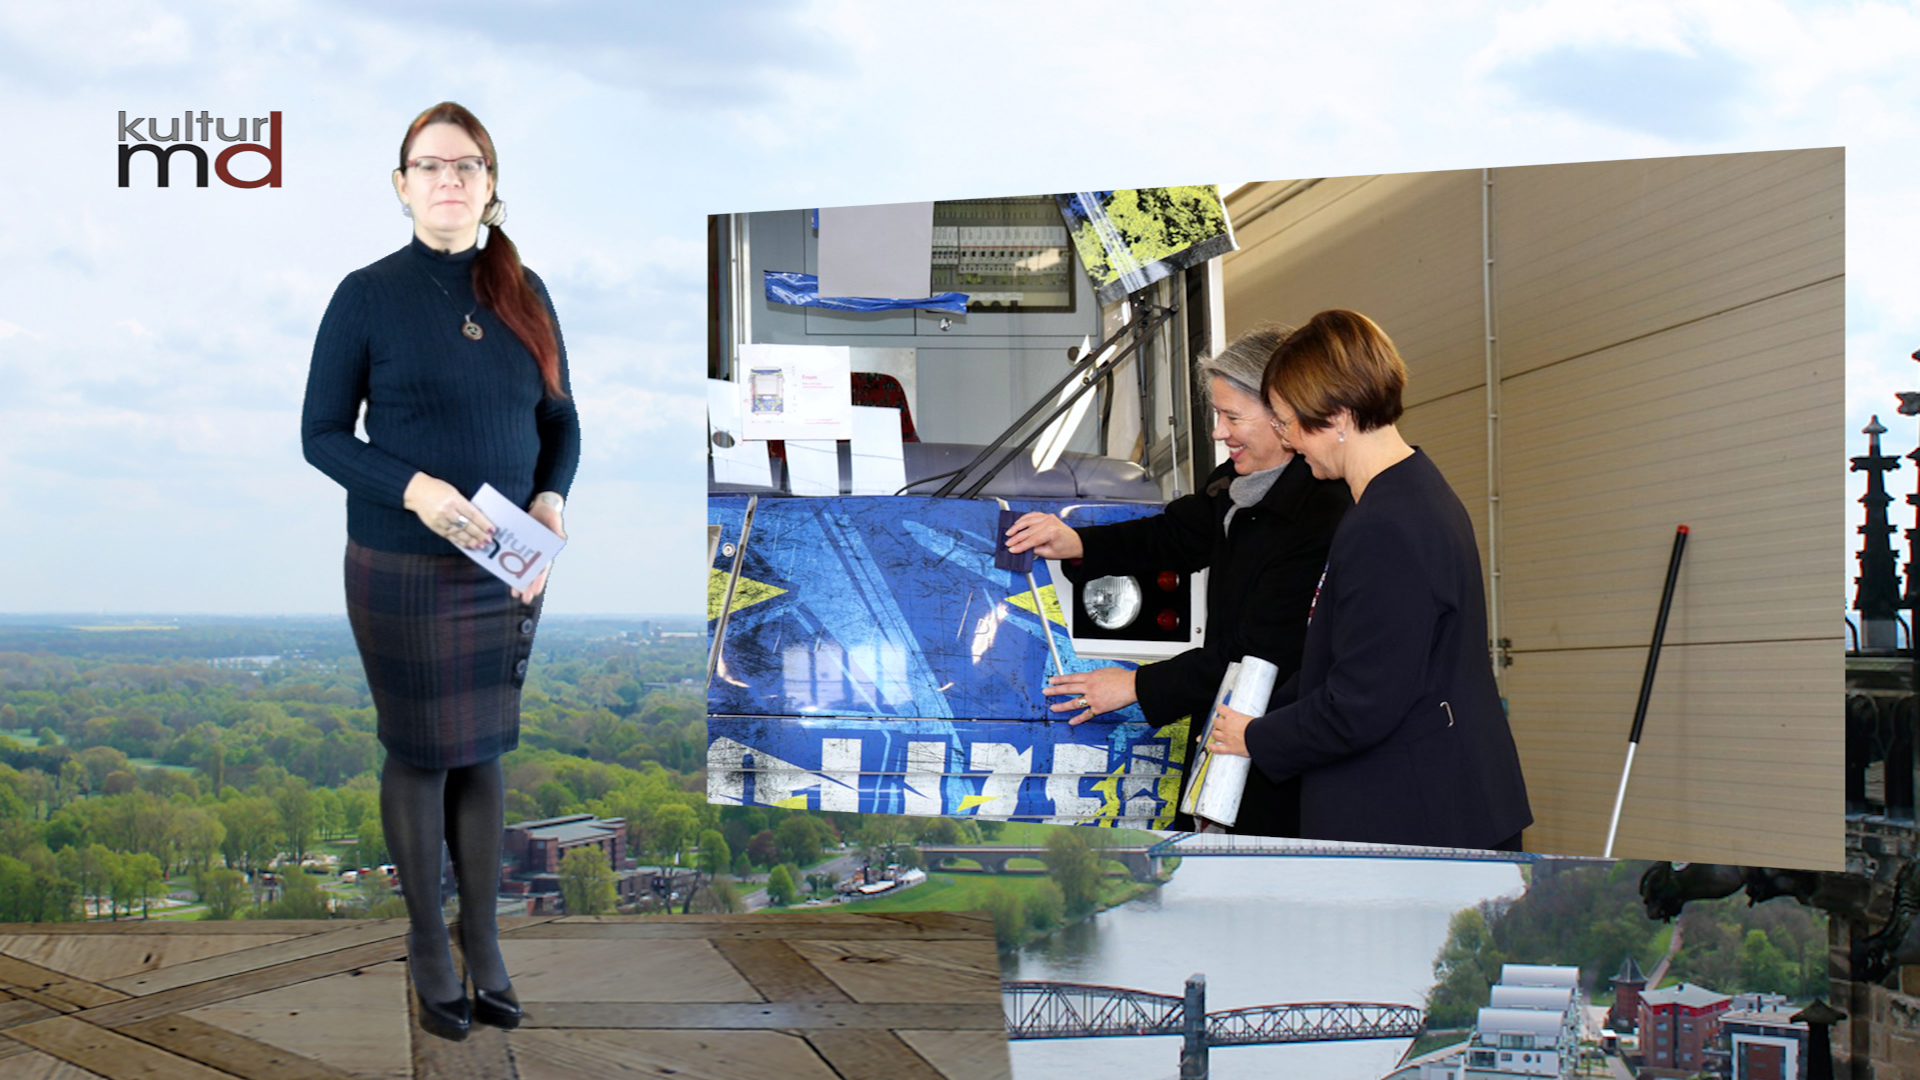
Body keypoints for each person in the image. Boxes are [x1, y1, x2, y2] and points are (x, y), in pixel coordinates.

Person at [300, 102, 579, 1041]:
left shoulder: (526, 291)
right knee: (421, 752)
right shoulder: (365, 294)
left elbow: (560, 424)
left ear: (491, 184)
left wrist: (552, 501)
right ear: (402, 184)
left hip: (508, 566)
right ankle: (427, 942)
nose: (448, 181)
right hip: (402, 559)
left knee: (485, 749)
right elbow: (322, 437)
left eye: (466, 166)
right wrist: (413, 486)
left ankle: (484, 939)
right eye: (430, 166)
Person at [1004, 327, 1350, 835]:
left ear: (1285, 414)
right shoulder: (1243, 484)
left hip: (1280, 755)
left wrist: (1135, 685)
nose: (1217, 432)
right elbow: (1174, 533)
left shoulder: (1321, 514)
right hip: (1230, 735)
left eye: (1232, 417)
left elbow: (1262, 652)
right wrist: (1078, 542)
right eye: (1217, 415)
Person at [1206, 309, 1531, 850]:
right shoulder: (1408, 494)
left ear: (1336, 417)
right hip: (1430, 802)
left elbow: (1361, 704)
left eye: (1286, 423)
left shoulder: (1387, 524)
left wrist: (1253, 737)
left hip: (1421, 819)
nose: (1288, 442)